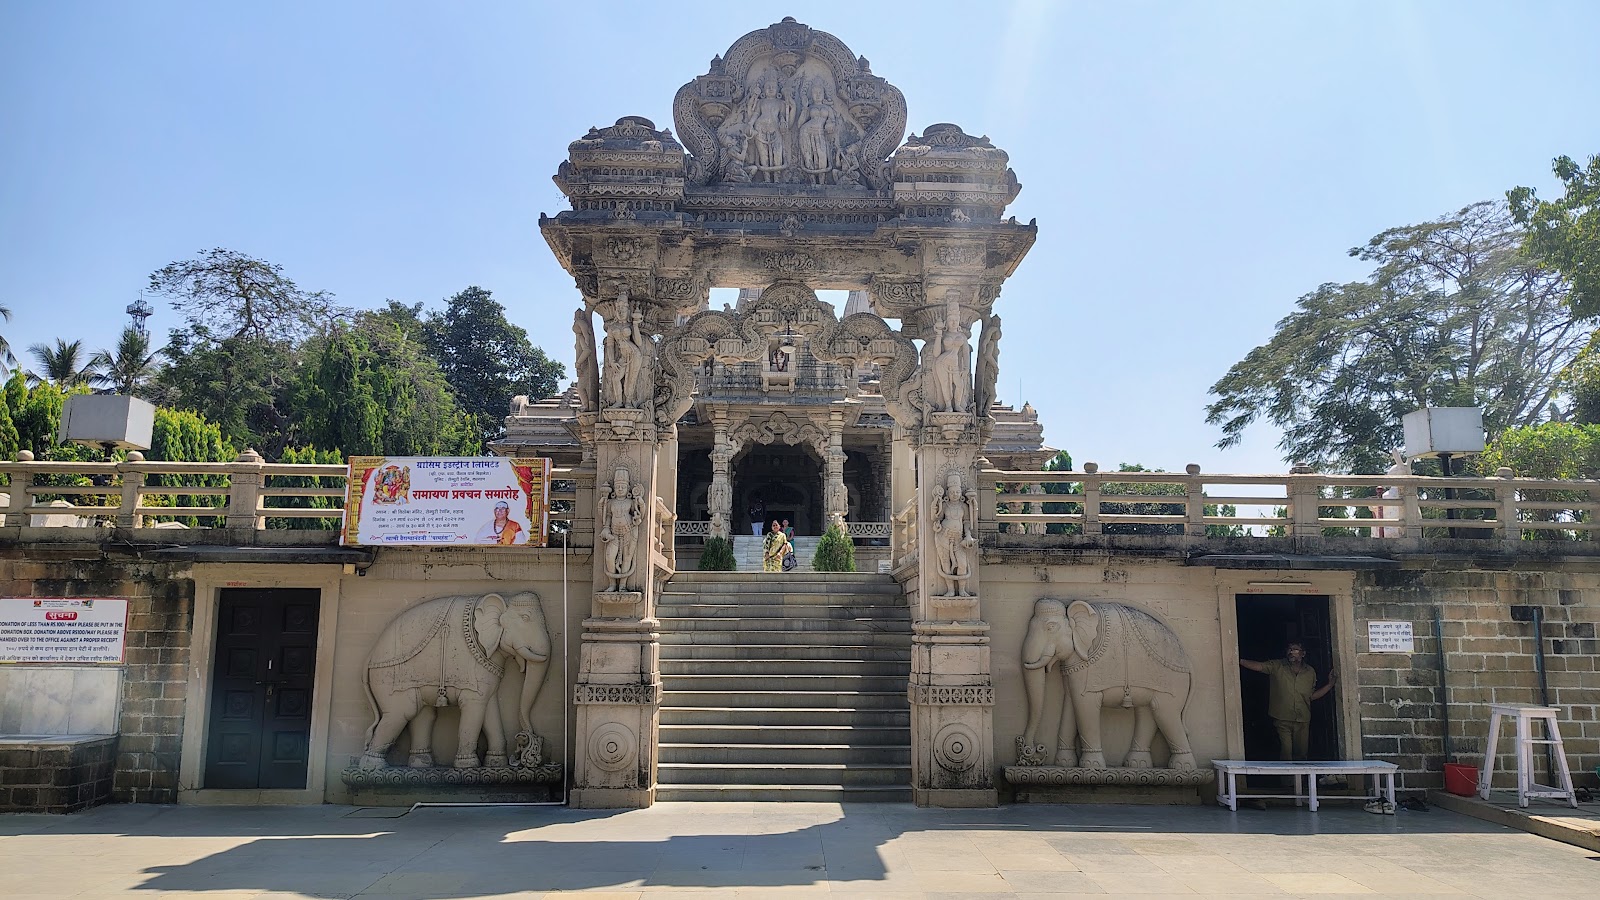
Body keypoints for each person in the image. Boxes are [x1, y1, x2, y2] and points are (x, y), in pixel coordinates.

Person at [1240, 642, 1335, 761]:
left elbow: (1311, 696)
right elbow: (1259, 666)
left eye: (1295, 649)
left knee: (1301, 754)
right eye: (1289, 649)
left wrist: (1330, 685)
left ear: (1303, 654)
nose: (1290, 652)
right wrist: (1239, 660)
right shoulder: (1277, 666)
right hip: (1282, 718)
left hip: (1302, 719)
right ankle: (1287, 780)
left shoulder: (1310, 672)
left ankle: (1301, 780)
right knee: (1286, 753)